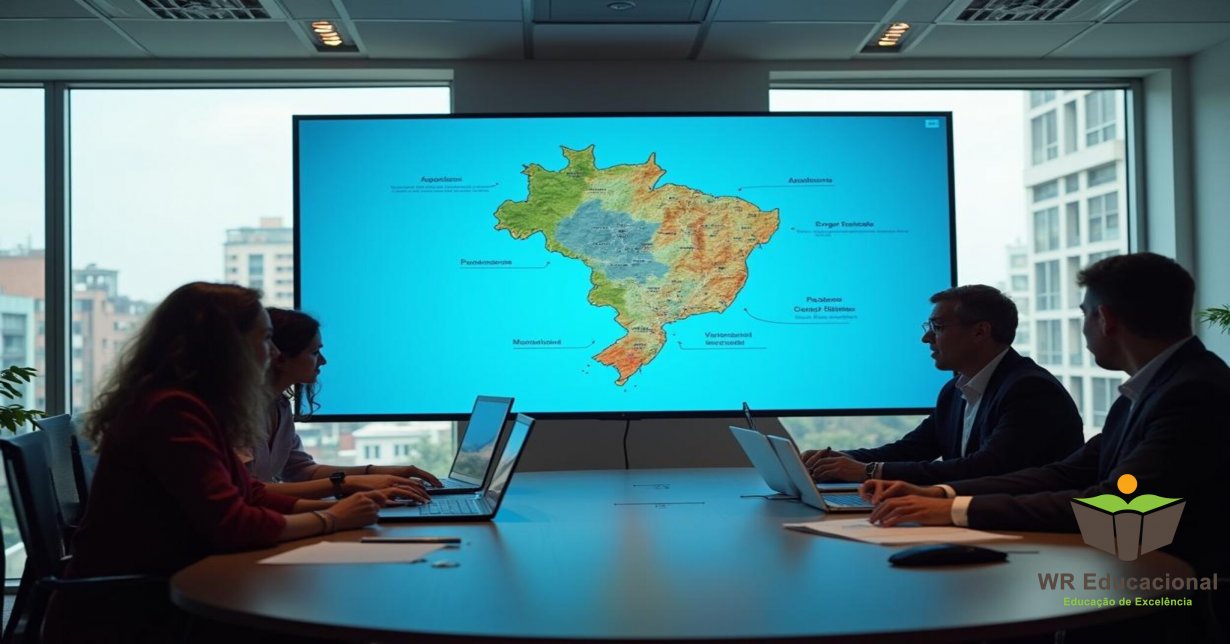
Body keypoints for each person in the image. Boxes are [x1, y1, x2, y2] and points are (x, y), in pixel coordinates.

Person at [46, 283, 388, 643]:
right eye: (265, 339)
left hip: (169, 589)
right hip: (132, 611)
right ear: (226, 347)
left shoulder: (195, 407)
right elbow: (232, 524)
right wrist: (331, 519)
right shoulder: (173, 411)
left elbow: (249, 493)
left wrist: (338, 510)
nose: (274, 352)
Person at [862, 253, 1230, 580]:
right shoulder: (1147, 392)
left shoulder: (1193, 393)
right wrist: (940, 493)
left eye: (1083, 315)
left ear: (1105, 319)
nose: (1083, 328)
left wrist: (954, 508)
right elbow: (1065, 473)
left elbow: (1118, 505)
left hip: (1179, 594)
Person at [802, 285, 1083, 485]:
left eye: (937, 327)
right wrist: (837, 459)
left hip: (1030, 531)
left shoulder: (1030, 390)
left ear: (980, 331)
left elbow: (986, 469)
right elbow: (910, 449)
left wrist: (869, 471)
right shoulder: (955, 390)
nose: (926, 338)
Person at [247, 308, 440, 500]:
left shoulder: (279, 406)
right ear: (280, 357)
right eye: (314, 352)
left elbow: (301, 470)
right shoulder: (238, 415)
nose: (323, 361)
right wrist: (349, 485)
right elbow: (248, 491)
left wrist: (378, 472)